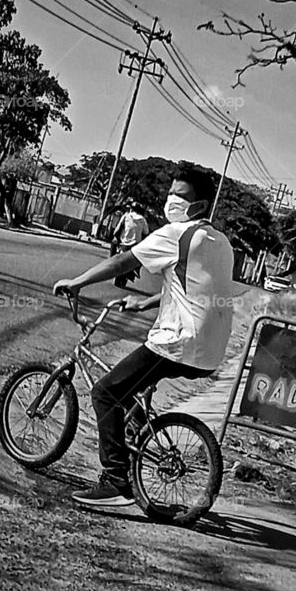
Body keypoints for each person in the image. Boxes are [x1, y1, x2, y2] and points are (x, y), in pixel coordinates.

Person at [53, 163, 235, 511]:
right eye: (171, 193)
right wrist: (145, 302)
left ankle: (116, 480)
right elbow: (193, 287)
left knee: (106, 392)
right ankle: (138, 436)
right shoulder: (220, 242)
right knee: (136, 388)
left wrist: (77, 282)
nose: (171, 201)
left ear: (199, 206)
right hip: (210, 350)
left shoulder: (177, 234)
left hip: (179, 342)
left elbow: (123, 262)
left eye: (180, 196)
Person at [110, 200, 149, 288]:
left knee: (113, 244)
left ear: (131, 209)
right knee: (141, 258)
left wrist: (115, 236)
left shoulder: (126, 216)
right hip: (135, 245)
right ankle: (137, 269)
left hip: (123, 243)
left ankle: (111, 259)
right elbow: (146, 232)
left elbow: (118, 228)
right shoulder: (143, 220)